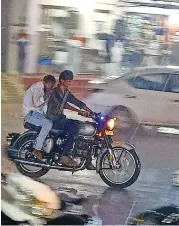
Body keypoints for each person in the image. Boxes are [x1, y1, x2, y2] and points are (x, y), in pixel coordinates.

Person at [47, 70, 94, 168]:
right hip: (53, 119)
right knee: (73, 128)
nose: (70, 83)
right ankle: (64, 155)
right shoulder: (55, 92)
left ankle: (84, 157)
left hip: (60, 118)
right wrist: (79, 112)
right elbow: (65, 105)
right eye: (68, 81)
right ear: (62, 81)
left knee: (79, 124)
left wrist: (91, 112)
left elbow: (76, 102)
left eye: (70, 81)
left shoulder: (66, 92)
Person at [22, 75, 56, 160]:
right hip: (29, 113)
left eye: (52, 85)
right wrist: (48, 93)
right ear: (44, 82)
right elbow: (37, 104)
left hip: (36, 113)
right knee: (48, 124)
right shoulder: (37, 87)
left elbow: (45, 106)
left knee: (53, 122)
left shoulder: (45, 90)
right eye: (49, 84)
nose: (51, 87)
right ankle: (37, 149)